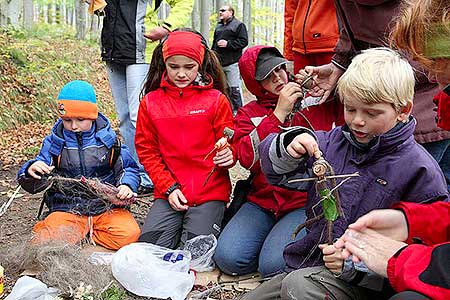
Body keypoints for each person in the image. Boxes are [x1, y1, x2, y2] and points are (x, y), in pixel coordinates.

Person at [241, 48, 449, 300]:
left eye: (371, 113)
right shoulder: (331, 143)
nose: (358, 121)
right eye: (350, 109)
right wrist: (288, 145)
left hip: (369, 282)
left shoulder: (420, 168)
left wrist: (355, 266)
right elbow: (278, 174)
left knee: (299, 287)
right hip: (311, 261)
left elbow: (425, 253)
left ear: (403, 110)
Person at [334, 1, 450, 299]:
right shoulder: (337, 140)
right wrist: (412, 221)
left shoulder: (420, 164)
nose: (436, 83)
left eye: (444, 71)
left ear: (402, 109)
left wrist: (405, 260)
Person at [297, 0, 450, 191]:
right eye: (350, 109)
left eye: (434, 63)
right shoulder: (335, 142)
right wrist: (340, 64)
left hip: (424, 116)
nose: (357, 121)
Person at [214, 45, 310, 278]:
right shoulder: (248, 113)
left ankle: (278, 248)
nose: (277, 78)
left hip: (302, 201)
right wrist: (277, 115)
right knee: (228, 259)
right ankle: (270, 242)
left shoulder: (310, 103)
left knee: (273, 266)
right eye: (267, 76)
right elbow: (248, 159)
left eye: (279, 69)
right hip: (263, 199)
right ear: (254, 83)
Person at [135, 30, 235, 248]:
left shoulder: (216, 100)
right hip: (169, 192)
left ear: (200, 64)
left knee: (194, 255)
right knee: (149, 250)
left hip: (209, 193)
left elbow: (231, 141)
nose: (181, 74)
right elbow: (147, 151)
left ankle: (217, 221)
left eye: (189, 67)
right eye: (174, 67)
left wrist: (230, 155)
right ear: (164, 64)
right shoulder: (151, 103)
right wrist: (168, 188)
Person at [17, 80, 141, 250]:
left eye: (81, 119)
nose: (74, 126)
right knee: (42, 241)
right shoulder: (54, 143)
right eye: (67, 120)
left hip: (106, 208)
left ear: (93, 116)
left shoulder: (109, 141)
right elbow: (35, 181)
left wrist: (126, 184)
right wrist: (31, 170)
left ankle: (83, 235)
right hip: (67, 208)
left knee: (130, 235)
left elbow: (128, 168)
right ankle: (81, 233)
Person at [96, 0, 194, 194]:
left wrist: (167, 27)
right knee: (124, 118)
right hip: (112, 49)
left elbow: (184, 2)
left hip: (140, 50)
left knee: (138, 116)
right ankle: (136, 173)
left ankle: (154, 173)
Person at [283, 0, 344, 131]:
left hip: (334, 46)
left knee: (344, 104)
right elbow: (290, 11)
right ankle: (311, 145)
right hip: (300, 50)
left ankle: (346, 147)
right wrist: (289, 54)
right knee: (307, 106)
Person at [212, 4, 248, 115]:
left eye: (223, 10)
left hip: (233, 63)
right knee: (223, 89)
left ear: (231, 12)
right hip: (219, 63)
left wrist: (228, 44)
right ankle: (228, 111)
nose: (220, 12)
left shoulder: (238, 25)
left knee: (234, 89)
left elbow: (243, 41)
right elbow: (214, 44)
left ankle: (239, 113)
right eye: (220, 10)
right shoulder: (218, 27)